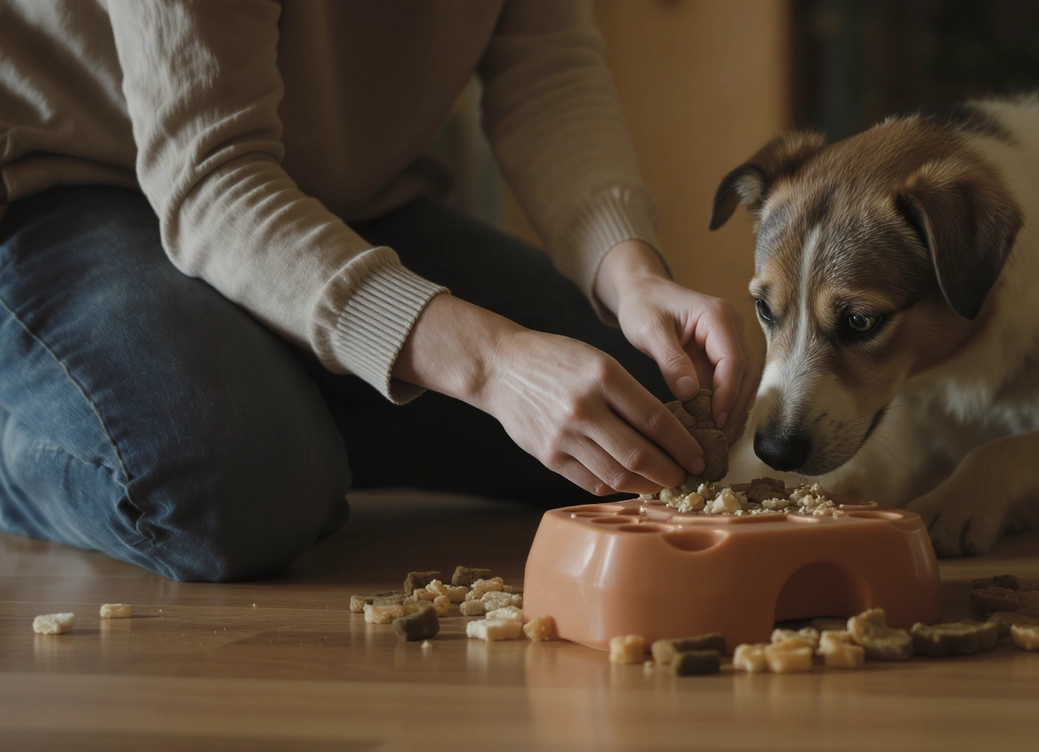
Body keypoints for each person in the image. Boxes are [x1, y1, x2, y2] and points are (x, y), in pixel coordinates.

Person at [0, 1, 757, 582]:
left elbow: (548, 71)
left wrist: (632, 276)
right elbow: (210, 181)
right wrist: (492, 364)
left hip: (336, 204)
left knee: (652, 414)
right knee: (231, 493)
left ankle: (276, 394)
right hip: (81, 186)